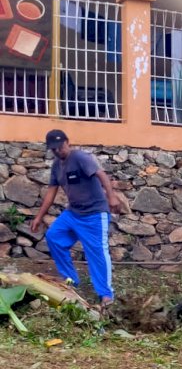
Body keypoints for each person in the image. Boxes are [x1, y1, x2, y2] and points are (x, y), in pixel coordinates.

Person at [30, 129, 121, 305]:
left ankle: (106, 294)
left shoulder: (80, 157)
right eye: (54, 149)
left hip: (94, 214)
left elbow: (101, 175)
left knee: (97, 253)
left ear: (67, 142)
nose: (58, 151)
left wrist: (111, 196)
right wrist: (39, 216)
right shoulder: (57, 165)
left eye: (60, 147)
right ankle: (70, 281)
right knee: (54, 237)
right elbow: (51, 193)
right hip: (73, 213)